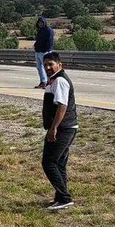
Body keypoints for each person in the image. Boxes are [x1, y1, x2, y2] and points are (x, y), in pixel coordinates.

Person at [41, 51, 78, 210]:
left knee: (48, 162)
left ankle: (64, 198)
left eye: (51, 64)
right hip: (66, 127)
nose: (48, 67)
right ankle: (60, 197)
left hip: (64, 128)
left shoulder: (60, 81)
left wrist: (53, 128)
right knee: (59, 163)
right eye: (45, 65)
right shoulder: (54, 79)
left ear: (59, 65)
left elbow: (62, 106)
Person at [33, 16, 54, 88]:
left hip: (45, 52)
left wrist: (47, 51)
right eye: (39, 23)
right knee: (39, 67)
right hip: (38, 51)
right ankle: (43, 82)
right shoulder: (39, 30)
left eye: (41, 22)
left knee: (47, 67)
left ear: (44, 22)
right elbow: (37, 41)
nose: (40, 24)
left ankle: (49, 82)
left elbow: (50, 42)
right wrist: (35, 46)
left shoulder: (49, 30)